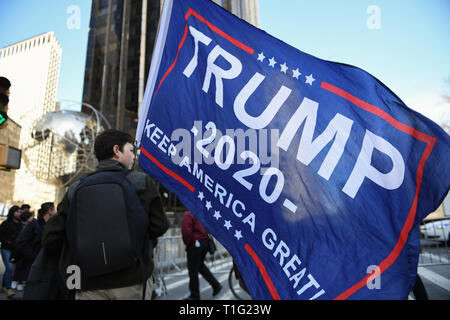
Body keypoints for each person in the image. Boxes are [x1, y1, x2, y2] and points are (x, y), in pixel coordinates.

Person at [42, 129, 169, 300]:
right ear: (117, 150)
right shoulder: (141, 182)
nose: (133, 156)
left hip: (87, 284)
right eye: (131, 150)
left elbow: (52, 237)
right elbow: (159, 226)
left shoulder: (75, 189)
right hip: (132, 281)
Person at [14, 203, 56, 291]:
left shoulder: (50, 225)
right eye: (54, 209)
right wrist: (34, 257)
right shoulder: (34, 224)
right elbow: (21, 243)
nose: (56, 212)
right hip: (31, 264)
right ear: (50, 211)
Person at [181, 211, 222, 300]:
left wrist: (188, 243)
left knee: (193, 270)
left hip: (195, 244)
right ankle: (216, 285)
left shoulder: (189, 214)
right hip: (205, 243)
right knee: (200, 266)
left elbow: (186, 231)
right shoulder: (201, 212)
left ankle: (195, 295)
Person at [0, 205, 23, 299]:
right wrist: (8, 241)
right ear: (12, 212)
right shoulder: (6, 223)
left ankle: (4, 286)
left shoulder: (21, 224)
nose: (18, 213)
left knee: (11, 269)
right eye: (16, 211)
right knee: (9, 267)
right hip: (6, 248)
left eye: (19, 212)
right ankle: (8, 289)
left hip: (16, 250)